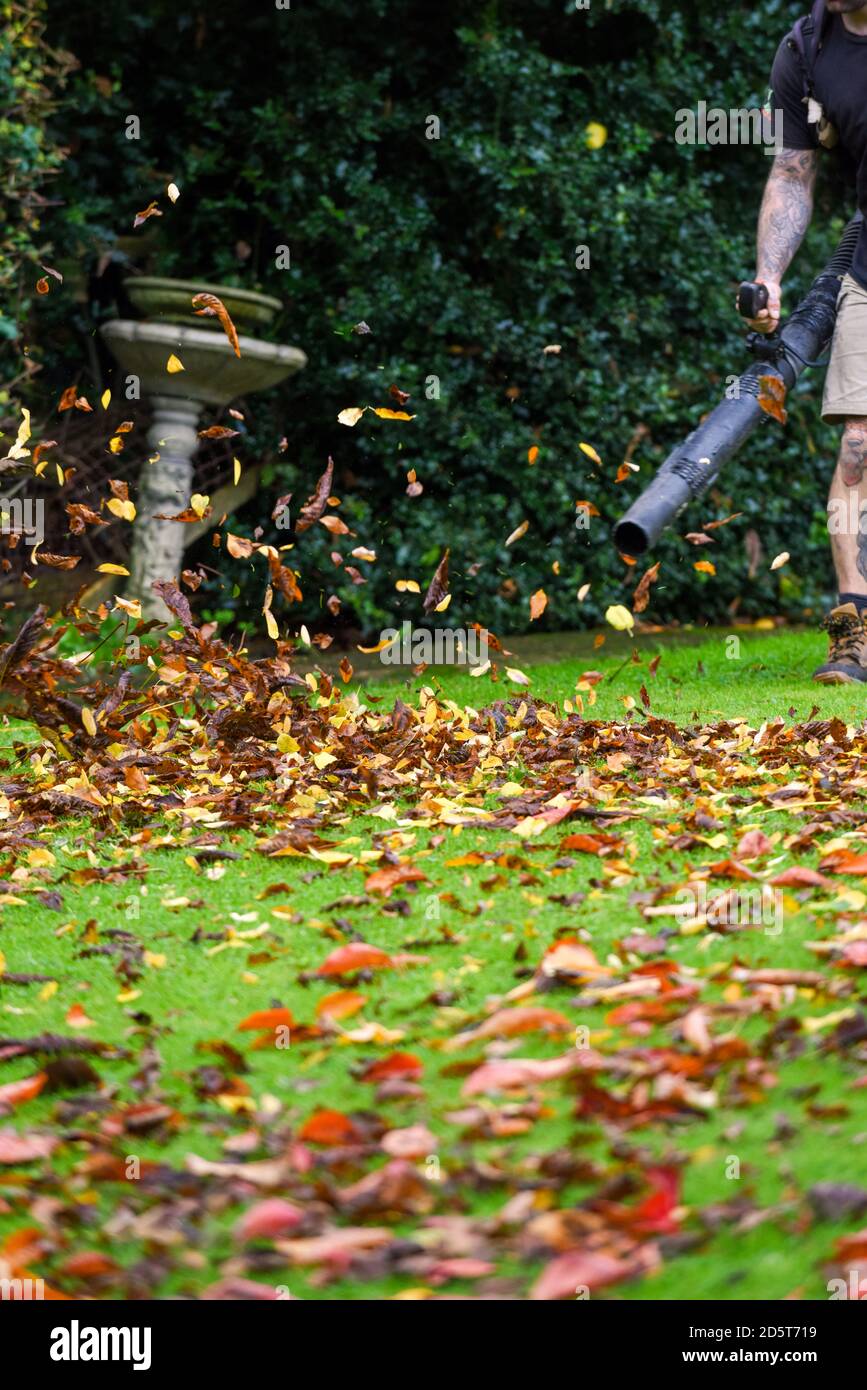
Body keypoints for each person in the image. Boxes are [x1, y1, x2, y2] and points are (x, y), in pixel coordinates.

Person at [749, 0, 867, 682]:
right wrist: (768, 276)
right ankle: (852, 631)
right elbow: (792, 173)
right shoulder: (807, 50)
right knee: (857, 443)